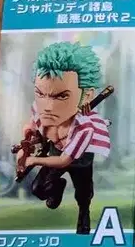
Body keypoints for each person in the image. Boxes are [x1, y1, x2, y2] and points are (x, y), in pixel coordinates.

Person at [18, 41, 110, 234]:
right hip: (55, 151)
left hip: (79, 159)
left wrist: (33, 160)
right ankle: (58, 186)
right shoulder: (40, 110)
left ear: (86, 96)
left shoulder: (85, 128)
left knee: (83, 193)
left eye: (61, 96)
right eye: (40, 93)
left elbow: (64, 160)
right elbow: (31, 125)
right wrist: (28, 138)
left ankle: (83, 217)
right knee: (38, 189)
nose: (48, 106)